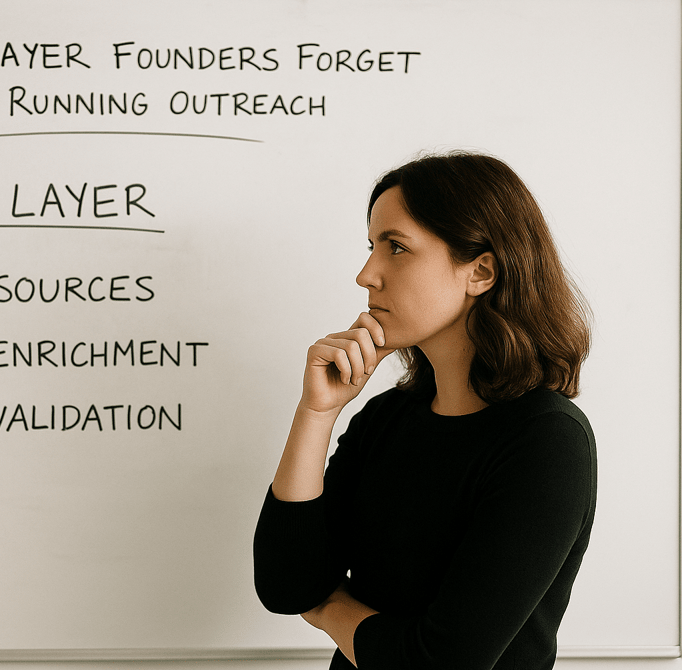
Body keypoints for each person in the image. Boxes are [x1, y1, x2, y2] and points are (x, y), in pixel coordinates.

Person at [253, 151, 596, 670]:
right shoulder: (386, 419)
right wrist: (317, 413)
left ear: (480, 271)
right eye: (371, 247)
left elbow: (439, 664)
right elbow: (285, 586)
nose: (367, 274)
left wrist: (328, 609)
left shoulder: (546, 441)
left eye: (396, 247)